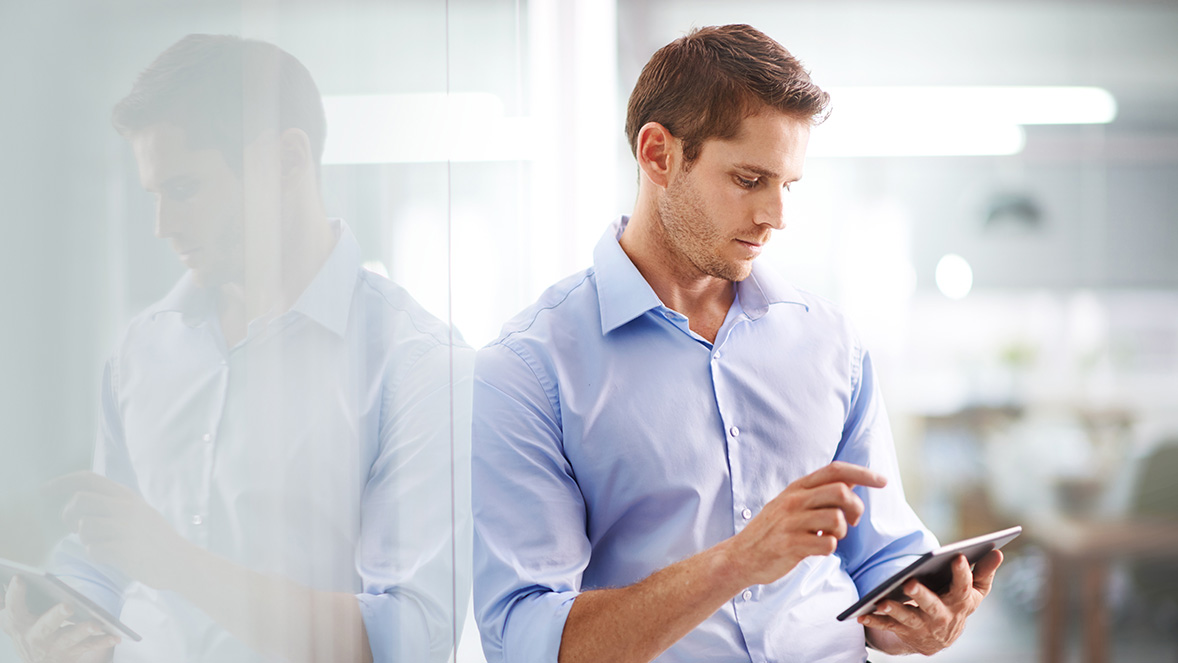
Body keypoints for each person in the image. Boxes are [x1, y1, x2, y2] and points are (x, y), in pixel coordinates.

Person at [471, 24, 1002, 663]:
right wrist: (738, 563)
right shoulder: (528, 369)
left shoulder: (829, 342)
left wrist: (924, 618)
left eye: (789, 185)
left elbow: (881, 560)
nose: (777, 216)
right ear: (659, 155)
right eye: (750, 180)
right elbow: (529, 642)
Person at [0, 34, 471, 663]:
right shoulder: (142, 350)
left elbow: (408, 639)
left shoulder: (419, 366)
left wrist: (179, 565)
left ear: (288, 160)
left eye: (186, 189)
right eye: (154, 195)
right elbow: (108, 558)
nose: (162, 226)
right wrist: (56, 626)